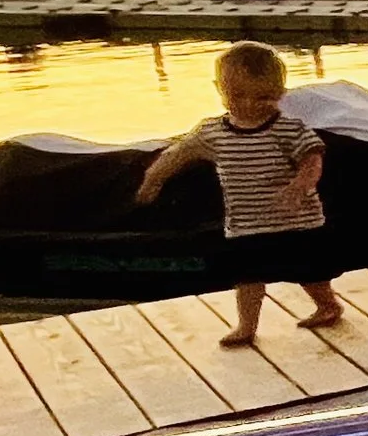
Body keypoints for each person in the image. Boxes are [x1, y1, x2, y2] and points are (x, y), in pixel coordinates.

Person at [137, 41, 344, 346]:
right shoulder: (214, 133)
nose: (248, 104)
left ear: (280, 93)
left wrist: (301, 185)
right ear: (219, 89)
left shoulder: (287, 128)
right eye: (237, 95)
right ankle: (247, 326)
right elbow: (178, 154)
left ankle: (327, 305)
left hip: (297, 220)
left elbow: (312, 159)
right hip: (246, 225)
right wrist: (153, 179)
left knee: (310, 272)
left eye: (262, 97)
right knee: (247, 278)